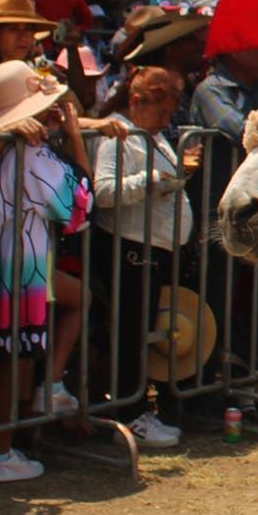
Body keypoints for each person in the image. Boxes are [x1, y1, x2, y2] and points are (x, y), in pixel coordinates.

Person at [0, 61, 92, 482]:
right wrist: (76, 139)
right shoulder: (32, 155)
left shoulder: (8, 150)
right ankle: (1, 452)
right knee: (12, 358)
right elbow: (80, 204)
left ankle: (3, 445)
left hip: (8, 259)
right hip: (20, 264)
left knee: (13, 357)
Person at [89, 66, 194, 448]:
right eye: (161, 113)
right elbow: (102, 193)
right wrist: (150, 182)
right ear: (136, 102)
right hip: (129, 245)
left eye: (169, 114)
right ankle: (128, 413)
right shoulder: (117, 136)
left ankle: (135, 408)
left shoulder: (150, 135)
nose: (165, 122)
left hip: (154, 247)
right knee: (129, 333)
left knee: (140, 330)